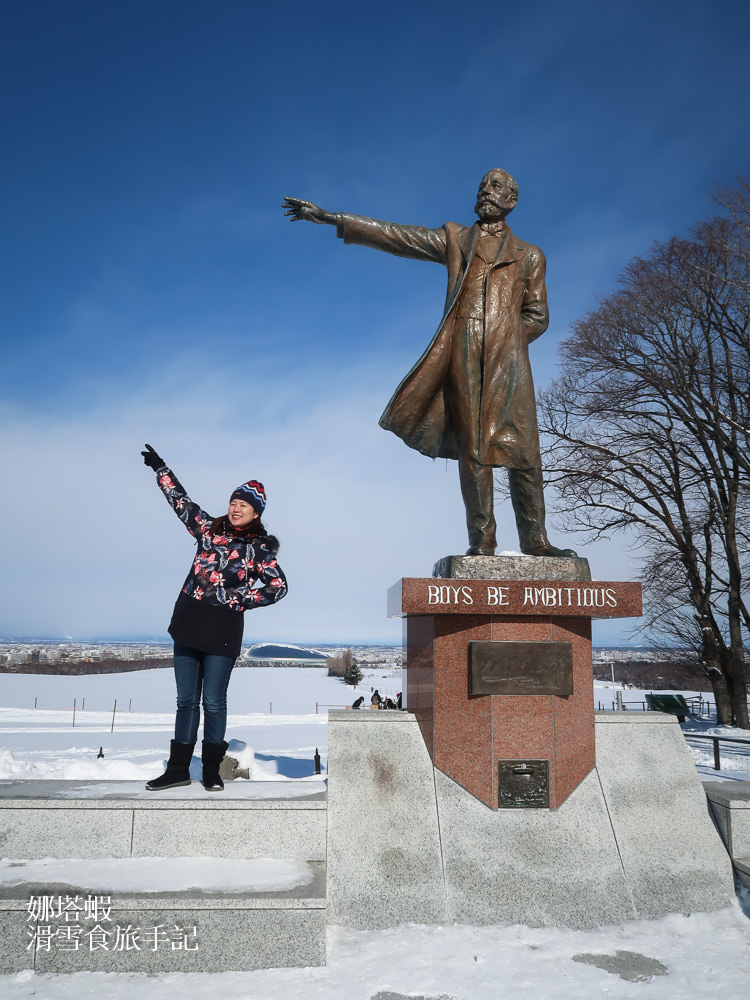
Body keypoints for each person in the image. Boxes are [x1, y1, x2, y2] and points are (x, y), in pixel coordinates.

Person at [282, 171, 576, 558]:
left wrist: (506, 338)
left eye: (496, 187)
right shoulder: (456, 238)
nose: (486, 191)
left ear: (512, 201)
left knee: (523, 448)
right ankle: (483, 539)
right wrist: (333, 218)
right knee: (473, 447)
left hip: (509, 358)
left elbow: (537, 315)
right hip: (462, 349)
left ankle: (536, 540)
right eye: (483, 186)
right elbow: (398, 237)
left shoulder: (530, 255)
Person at [141, 444, 288, 791]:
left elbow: (278, 586)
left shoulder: (258, 549)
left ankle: (209, 770)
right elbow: (181, 502)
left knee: (214, 702)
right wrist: (160, 469)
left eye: (244, 506)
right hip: (189, 624)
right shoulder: (208, 530)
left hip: (222, 632)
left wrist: (238, 599)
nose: (236, 509)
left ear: (256, 514)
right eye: (234, 502)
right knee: (186, 701)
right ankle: (177, 769)